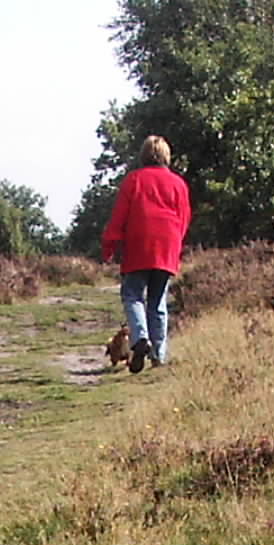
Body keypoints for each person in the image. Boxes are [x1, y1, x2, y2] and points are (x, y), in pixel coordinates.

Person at [100, 135, 193, 372]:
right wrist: (175, 244)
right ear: (166, 156)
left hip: (138, 245)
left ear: (143, 155)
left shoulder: (134, 180)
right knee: (158, 300)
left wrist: (110, 244)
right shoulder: (178, 184)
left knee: (132, 295)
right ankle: (158, 355)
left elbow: (119, 215)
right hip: (166, 246)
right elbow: (184, 219)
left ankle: (140, 337)